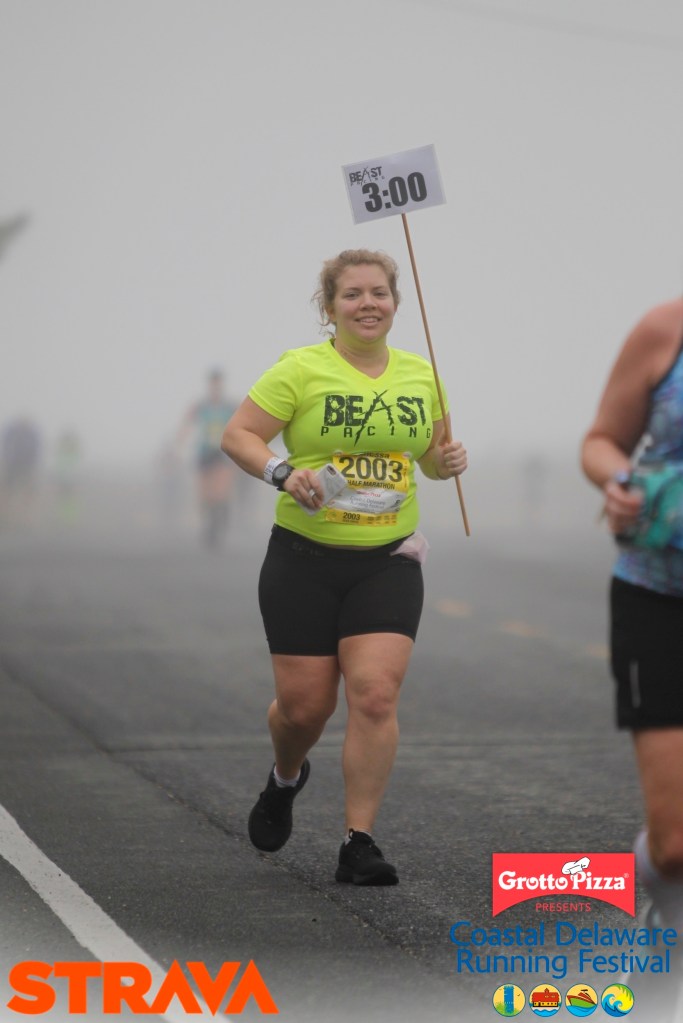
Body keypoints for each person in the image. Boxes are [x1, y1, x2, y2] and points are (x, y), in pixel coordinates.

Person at [221, 249, 467, 885]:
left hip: (388, 560)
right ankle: (285, 778)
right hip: (303, 560)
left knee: (375, 695)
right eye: (353, 294)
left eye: (379, 293)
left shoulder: (422, 374)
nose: (368, 304)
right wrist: (282, 471)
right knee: (305, 710)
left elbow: (431, 461)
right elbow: (239, 435)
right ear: (328, 307)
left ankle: (359, 842)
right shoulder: (299, 370)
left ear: (395, 303)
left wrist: (448, 462)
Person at [581, 298, 683, 943]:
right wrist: (618, 479)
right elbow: (601, 441)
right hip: (659, 596)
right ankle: (661, 898)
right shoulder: (665, 330)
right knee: (677, 849)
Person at [177, 369, 237, 548]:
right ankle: (208, 522)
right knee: (204, 494)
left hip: (222, 453)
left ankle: (221, 516)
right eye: (213, 384)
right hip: (204, 453)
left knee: (221, 491)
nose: (215, 387)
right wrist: (179, 446)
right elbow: (186, 425)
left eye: (218, 384)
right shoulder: (201, 406)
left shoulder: (230, 407)